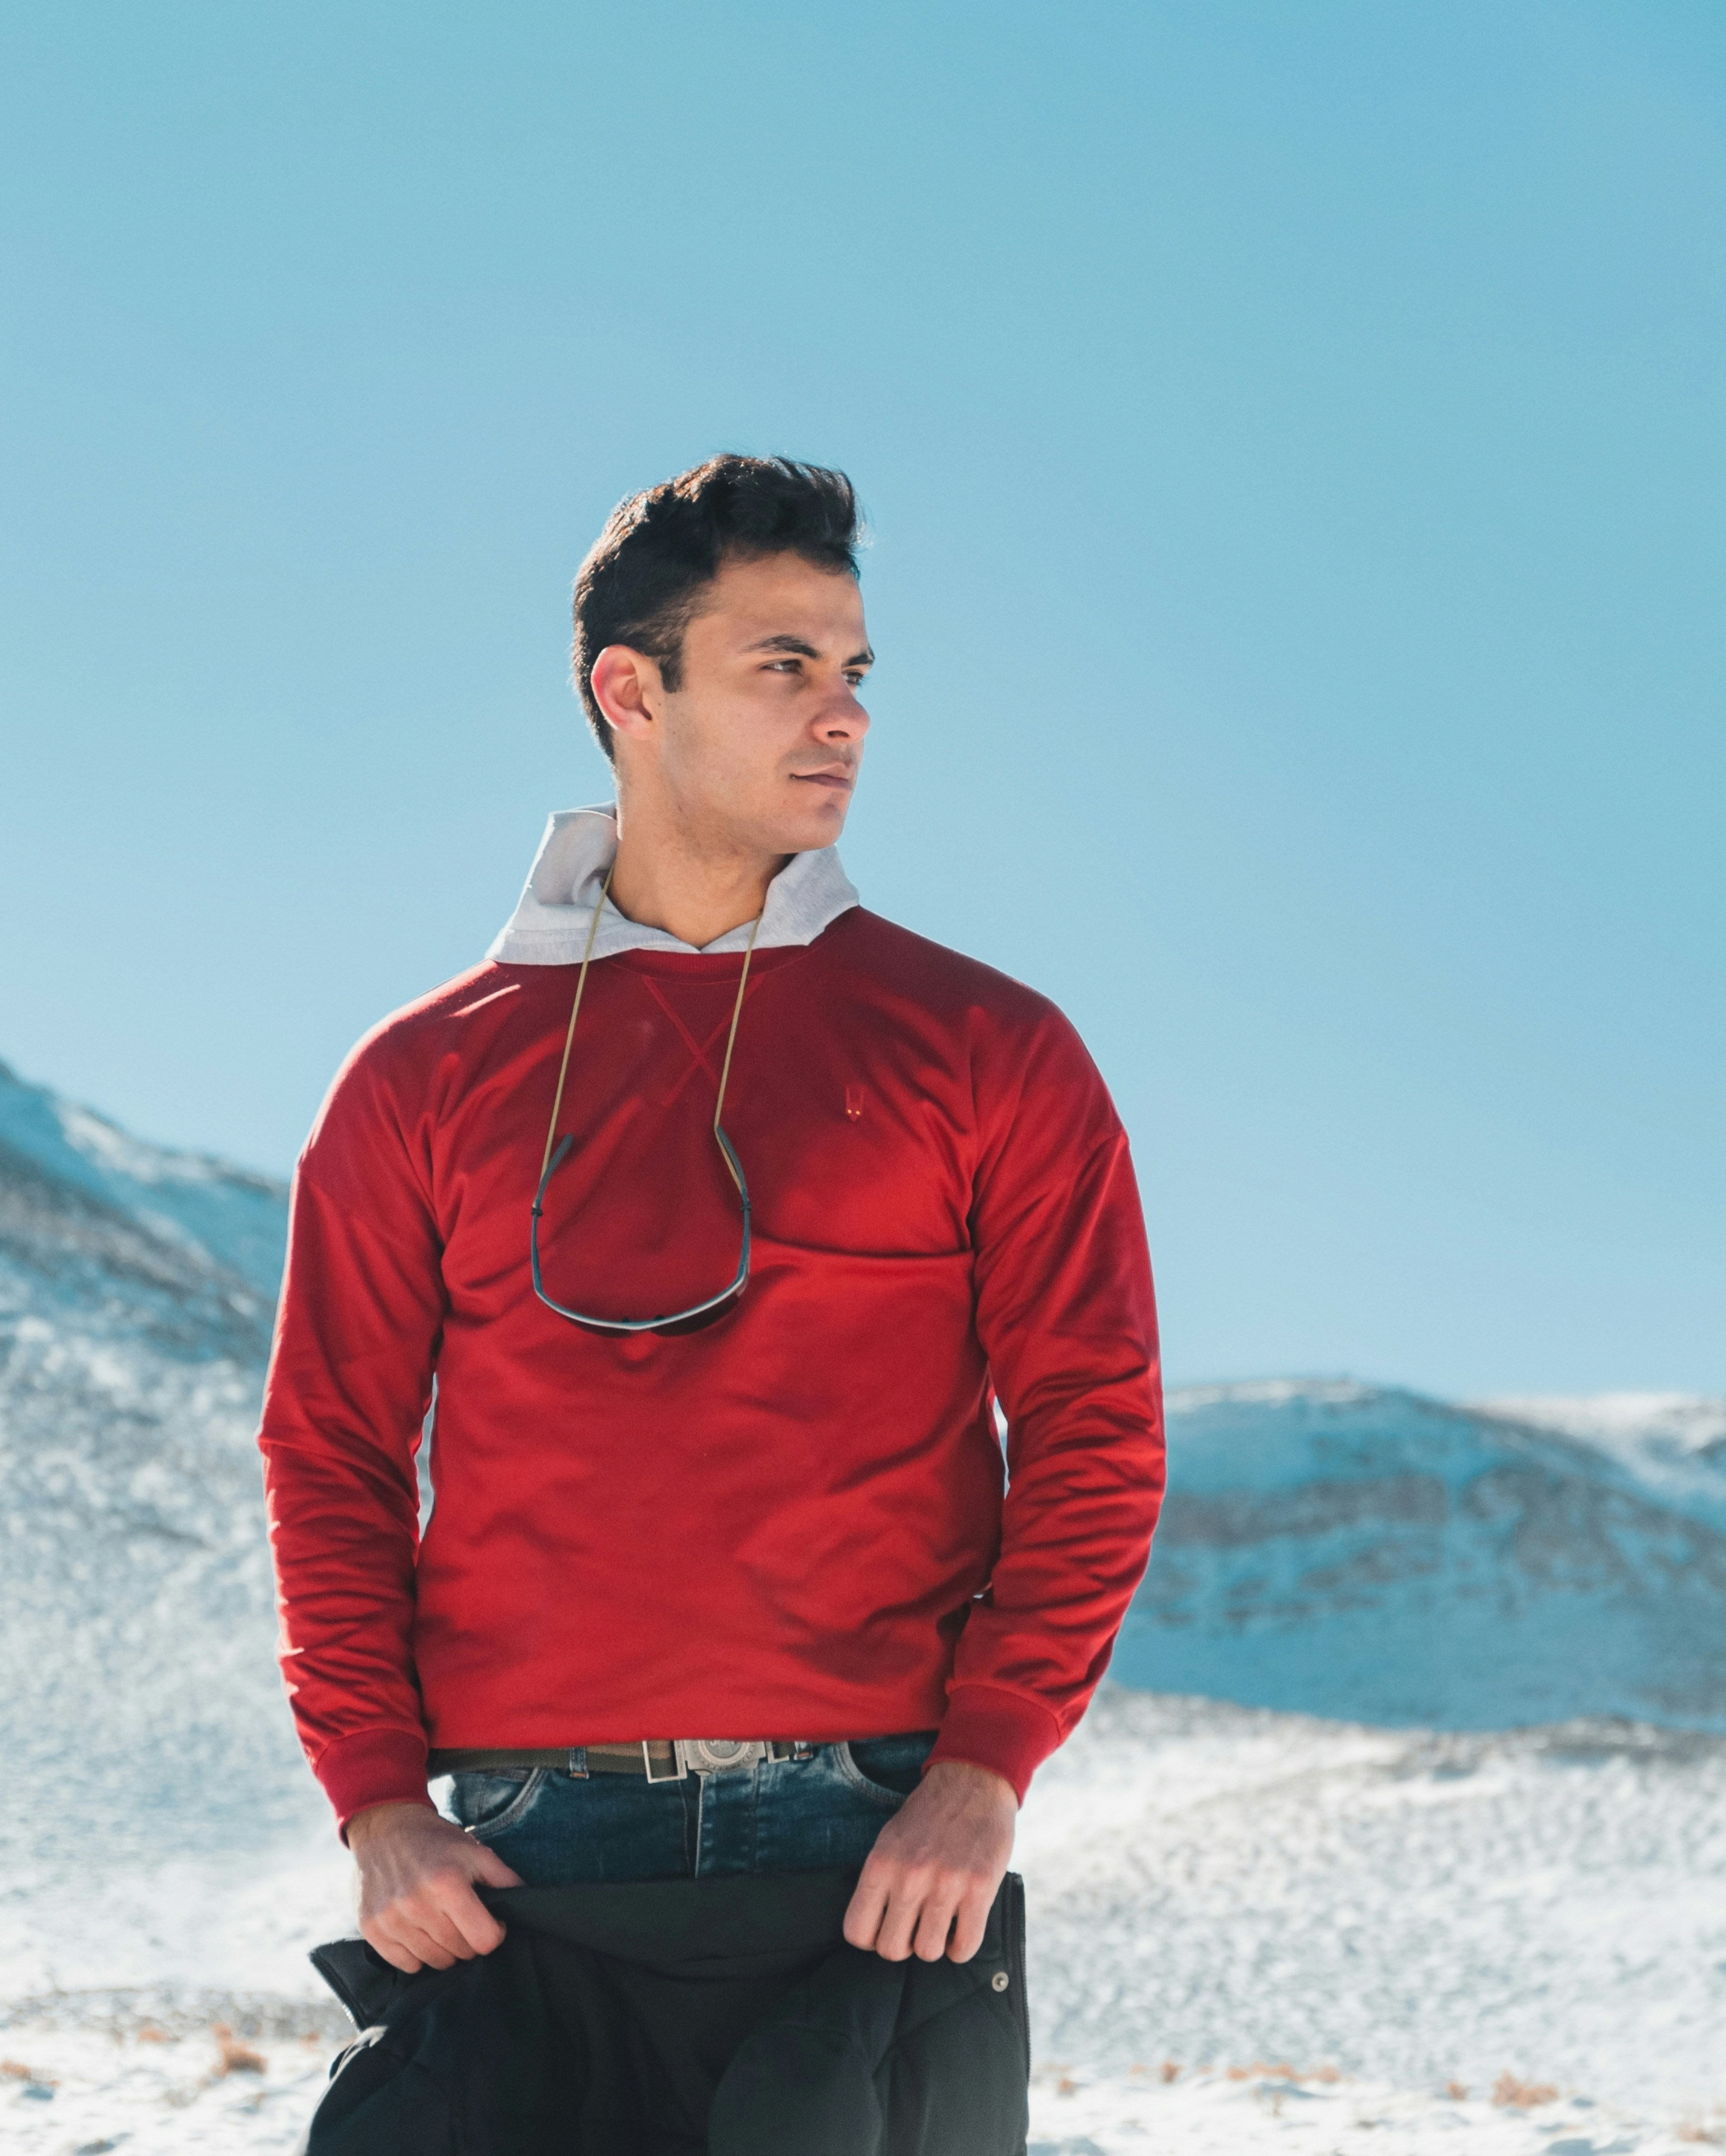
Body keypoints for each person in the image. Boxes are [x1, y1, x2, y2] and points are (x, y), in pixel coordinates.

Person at [257, 454, 1166, 2017]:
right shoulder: (421, 1077)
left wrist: (986, 1770)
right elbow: (329, 1450)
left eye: (857, 670)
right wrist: (379, 1803)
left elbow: (1097, 1429)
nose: (846, 714)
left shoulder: (989, 1047)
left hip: (881, 1852)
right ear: (633, 689)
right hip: (526, 1855)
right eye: (785, 667)